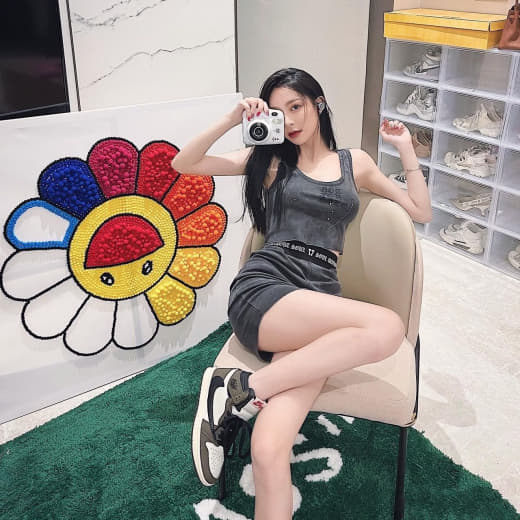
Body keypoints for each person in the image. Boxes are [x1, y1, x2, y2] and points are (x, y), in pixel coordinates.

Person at [172, 67, 432, 520]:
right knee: (387, 326)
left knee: (269, 447)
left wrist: (405, 148)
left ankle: (239, 394)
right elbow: (185, 163)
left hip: (318, 296)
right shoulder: (270, 161)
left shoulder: (356, 163)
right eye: (279, 112)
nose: (290, 120)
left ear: (319, 104)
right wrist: (233, 118)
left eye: (296, 107)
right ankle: (238, 392)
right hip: (267, 286)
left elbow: (420, 211)